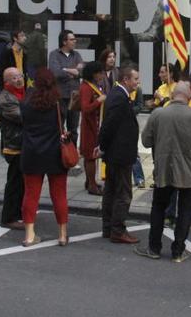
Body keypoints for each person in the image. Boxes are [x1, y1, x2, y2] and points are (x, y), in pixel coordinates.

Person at [135, 82, 191, 262]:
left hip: (164, 169)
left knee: (158, 208)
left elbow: (146, 141)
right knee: (185, 210)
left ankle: (154, 248)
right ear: (189, 96)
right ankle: (178, 251)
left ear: (172, 95)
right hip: (189, 171)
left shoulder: (158, 114)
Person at [19, 68, 69, 247]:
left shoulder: (26, 103)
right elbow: (63, 124)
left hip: (32, 153)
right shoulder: (58, 103)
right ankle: (62, 234)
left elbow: (22, 123)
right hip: (55, 153)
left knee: (31, 195)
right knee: (59, 195)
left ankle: (29, 235)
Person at [98, 66, 142, 244]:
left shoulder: (119, 95)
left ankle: (108, 228)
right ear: (126, 80)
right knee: (123, 193)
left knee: (111, 190)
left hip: (116, 153)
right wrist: (102, 145)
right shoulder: (119, 97)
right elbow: (108, 125)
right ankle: (117, 230)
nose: (138, 82)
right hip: (119, 154)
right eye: (136, 79)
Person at [0, 67, 26, 231]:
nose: (19, 79)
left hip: (22, 145)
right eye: (14, 78)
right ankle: (8, 217)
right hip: (13, 146)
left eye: (20, 76)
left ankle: (18, 212)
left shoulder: (20, 93)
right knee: (14, 183)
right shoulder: (6, 99)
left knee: (21, 182)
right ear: (6, 81)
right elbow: (23, 116)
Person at [48, 29, 84, 141]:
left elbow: (82, 72)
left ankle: (72, 154)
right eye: (72, 39)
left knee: (73, 128)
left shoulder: (76, 55)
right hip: (61, 96)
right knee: (59, 126)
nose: (75, 41)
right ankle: (60, 152)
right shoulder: (54, 54)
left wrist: (65, 69)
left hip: (75, 97)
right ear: (64, 42)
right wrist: (73, 71)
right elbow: (55, 72)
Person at [79, 61, 106, 196]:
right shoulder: (86, 87)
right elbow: (85, 108)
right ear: (93, 74)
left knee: (90, 156)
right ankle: (92, 185)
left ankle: (89, 181)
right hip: (89, 127)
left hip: (94, 125)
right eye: (100, 73)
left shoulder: (93, 86)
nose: (102, 75)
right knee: (91, 156)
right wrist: (98, 101)